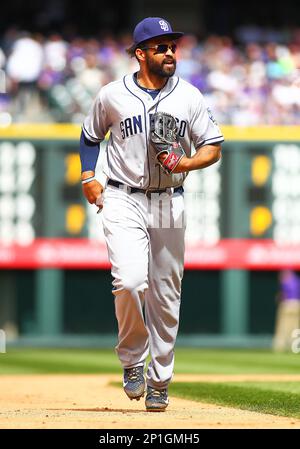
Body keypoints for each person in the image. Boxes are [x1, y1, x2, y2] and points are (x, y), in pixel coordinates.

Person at [79, 17, 224, 411]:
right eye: (161, 47)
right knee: (129, 281)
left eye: (173, 45)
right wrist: (88, 176)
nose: (170, 52)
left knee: (165, 293)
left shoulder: (190, 96)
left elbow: (213, 146)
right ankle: (132, 361)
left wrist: (187, 163)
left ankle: (160, 380)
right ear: (140, 54)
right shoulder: (112, 95)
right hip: (123, 197)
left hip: (168, 199)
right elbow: (90, 136)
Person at [273, 269, 300, 352]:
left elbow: (284, 295)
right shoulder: (297, 281)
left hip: (287, 305)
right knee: (295, 326)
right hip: (297, 305)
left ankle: (280, 346)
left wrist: (279, 297)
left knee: (283, 326)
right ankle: (295, 347)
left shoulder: (286, 282)